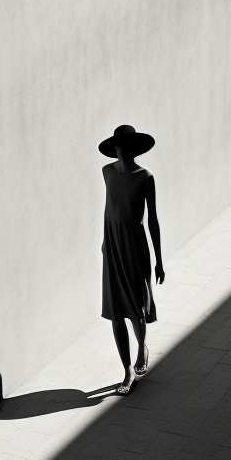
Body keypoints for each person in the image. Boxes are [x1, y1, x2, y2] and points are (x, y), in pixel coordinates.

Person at [98, 124, 164, 394]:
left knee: (137, 309)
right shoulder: (107, 172)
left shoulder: (144, 177)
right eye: (118, 145)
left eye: (125, 145)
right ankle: (126, 371)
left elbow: (153, 220)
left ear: (133, 149)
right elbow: (107, 209)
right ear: (114, 148)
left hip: (135, 247)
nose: (121, 150)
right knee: (115, 312)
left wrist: (159, 259)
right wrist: (105, 244)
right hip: (112, 246)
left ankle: (141, 349)